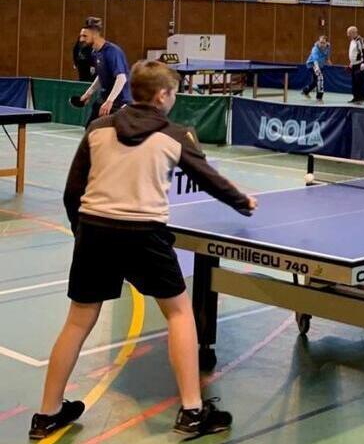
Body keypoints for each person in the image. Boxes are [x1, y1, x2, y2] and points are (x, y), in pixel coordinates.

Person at [31, 60, 257, 440]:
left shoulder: (98, 128)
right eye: (173, 92)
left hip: (96, 232)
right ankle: (191, 411)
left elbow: (73, 191)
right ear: (163, 95)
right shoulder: (175, 134)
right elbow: (210, 180)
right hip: (144, 235)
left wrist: (80, 231)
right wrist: (243, 202)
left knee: (77, 321)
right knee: (180, 313)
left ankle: (47, 414)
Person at [73, 17, 132, 124]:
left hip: (119, 102)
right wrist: (88, 93)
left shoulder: (112, 51)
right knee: (90, 129)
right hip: (104, 98)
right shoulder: (95, 52)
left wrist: (110, 101)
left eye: (85, 36)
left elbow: (121, 78)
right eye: (81, 36)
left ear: (95, 35)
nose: (81, 39)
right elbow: (101, 76)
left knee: (112, 134)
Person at [302, 35, 331, 103]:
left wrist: (328, 60)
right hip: (312, 64)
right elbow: (315, 59)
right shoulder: (315, 49)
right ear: (318, 41)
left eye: (323, 43)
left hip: (320, 65)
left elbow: (327, 53)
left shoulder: (328, 46)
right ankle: (319, 98)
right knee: (320, 78)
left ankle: (305, 91)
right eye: (320, 42)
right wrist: (317, 68)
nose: (321, 44)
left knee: (316, 82)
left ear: (326, 43)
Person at [348, 26, 364, 104]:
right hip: (354, 64)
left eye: (349, 33)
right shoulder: (352, 41)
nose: (348, 35)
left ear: (354, 32)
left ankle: (360, 98)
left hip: (360, 65)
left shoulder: (361, 41)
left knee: (358, 82)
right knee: (354, 82)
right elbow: (354, 53)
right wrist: (351, 63)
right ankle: (356, 97)